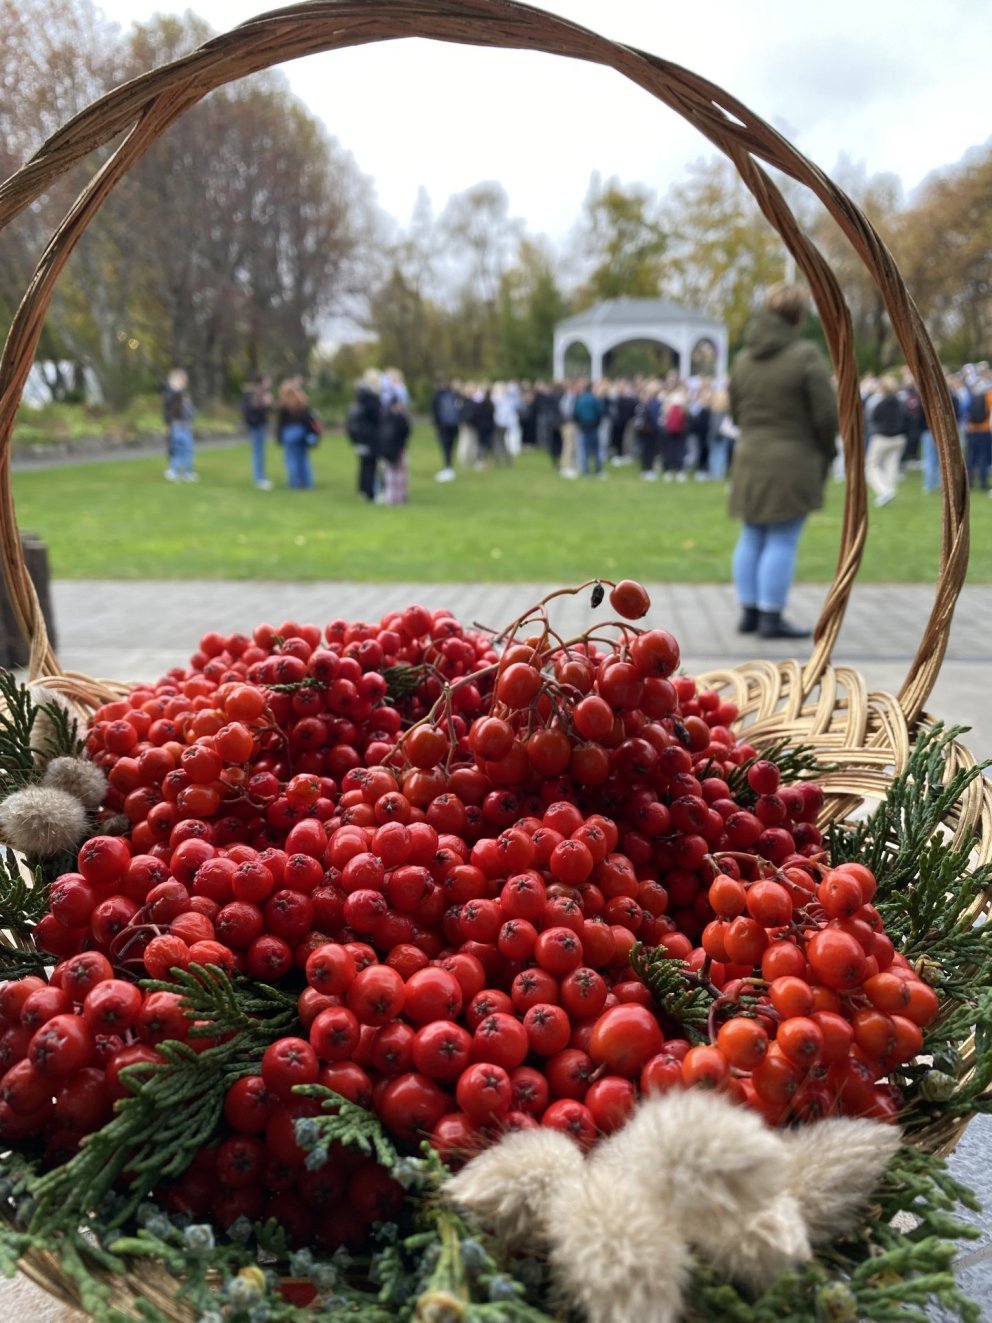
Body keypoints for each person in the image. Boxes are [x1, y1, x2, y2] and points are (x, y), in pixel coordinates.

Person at [728, 283, 838, 640]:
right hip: (793, 457)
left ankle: (750, 611)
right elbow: (825, 415)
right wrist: (829, 449)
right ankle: (771, 616)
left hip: (749, 455)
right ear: (798, 316)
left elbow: (735, 410)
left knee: (752, 533)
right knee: (782, 538)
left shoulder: (743, 359)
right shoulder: (805, 355)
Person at [866, 376, 908, 508]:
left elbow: (873, 418)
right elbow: (907, 419)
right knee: (892, 465)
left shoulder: (881, 404)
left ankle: (884, 491)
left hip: (883, 438)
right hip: (899, 438)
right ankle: (889, 490)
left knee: (870, 466)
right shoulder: (901, 403)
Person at [276, 379, 319, 490]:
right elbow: (308, 419)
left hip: (289, 433)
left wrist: (279, 437)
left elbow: (281, 423)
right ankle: (307, 483)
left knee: (291, 459)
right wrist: (312, 434)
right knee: (303, 458)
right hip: (301, 432)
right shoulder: (302, 402)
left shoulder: (284, 405)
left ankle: (294, 483)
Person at [347, 368, 383, 501]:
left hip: (361, 436)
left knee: (364, 464)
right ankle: (369, 492)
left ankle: (363, 490)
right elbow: (376, 417)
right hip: (370, 436)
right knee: (370, 464)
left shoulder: (360, 397)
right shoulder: (371, 398)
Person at [163, 369, 197, 483]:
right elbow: (169, 408)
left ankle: (184, 472)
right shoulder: (173, 395)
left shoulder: (181, 396)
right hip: (177, 426)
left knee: (184, 450)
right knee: (178, 450)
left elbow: (190, 412)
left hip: (182, 426)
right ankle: (177, 471)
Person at [242, 374, 273, 490]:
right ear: (262, 381)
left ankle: (260, 478)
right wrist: (265, 404)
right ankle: (259, 479)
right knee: (258, 453)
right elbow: (253, 408)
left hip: (259, 425)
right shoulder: (256, 394)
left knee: (259, 452)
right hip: (257, 425)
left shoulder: (255, 393)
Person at [378, 400, 411, 504]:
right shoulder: (398, 419)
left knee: (392, 474)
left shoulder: (385, 418)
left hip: (389, 450)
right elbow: (406, 431)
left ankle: (394, 496)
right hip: (395, 449)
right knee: (396, 475)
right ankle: (396, 496)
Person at [573, 378, 605, 476]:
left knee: (584, 448)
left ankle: (585, 470)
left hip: (583, 426)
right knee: (596, 448)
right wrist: (597, 423)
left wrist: (579, 423)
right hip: (593, 426)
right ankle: (598, 469)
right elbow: (600, 412)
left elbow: (575, 413)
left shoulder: (580, 399)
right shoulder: (594, 399)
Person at [431, 376, 460, 481]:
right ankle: (449, 468)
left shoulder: (437, 396)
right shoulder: (452, 394)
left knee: (446, 447)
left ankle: (448, 468)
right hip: (452, 426)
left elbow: (435, 413)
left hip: (444, 426)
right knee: (449, 448)